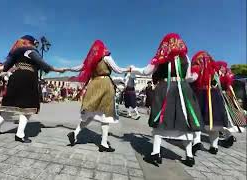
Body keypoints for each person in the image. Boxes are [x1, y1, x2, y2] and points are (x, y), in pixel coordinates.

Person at [131, 33, 203, 167]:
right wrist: (195, 74)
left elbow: (146, 72)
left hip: (165, 89)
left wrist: (132, 70)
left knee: (161, 119)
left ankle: (156, 153)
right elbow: (188, 78)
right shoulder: (185, 57)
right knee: (185, 121)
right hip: (183, 89)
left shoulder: (160, 57)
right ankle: (189, 156)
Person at [0, 35, 65, 143]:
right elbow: (41, 64)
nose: (36, 46)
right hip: (28, 79)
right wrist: (58, 69)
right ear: (30, 43)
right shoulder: (30, 51)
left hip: (15, 78)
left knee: (10, 106)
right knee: (27, 107)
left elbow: (5, 67)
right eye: (35, 43)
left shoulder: (15, 52)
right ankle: (19, 134)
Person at [65, 40, 130, 152]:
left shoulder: (91, 60)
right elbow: (118, 70)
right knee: (106, 113)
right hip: (105, 84)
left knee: (90, 113)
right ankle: (103, 143)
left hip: (93, 84)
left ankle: (75, 134)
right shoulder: (106, 57)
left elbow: (79, 68)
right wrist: (128, 69)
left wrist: (67, 68)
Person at [190, 51, 231, 155]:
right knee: (214, 124)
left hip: (200, 95)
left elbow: (192, 79)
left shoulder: (197, 68)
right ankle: (214, 147)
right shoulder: (215, 71)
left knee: (197, 121)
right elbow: (219, 84)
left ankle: (197, 142)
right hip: (215, 97)